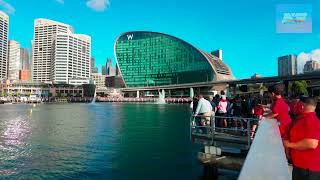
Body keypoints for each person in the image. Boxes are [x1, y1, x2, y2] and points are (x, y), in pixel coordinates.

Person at [284, 97, 320, 180]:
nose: (294, 107)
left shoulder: (311, 121)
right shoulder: (302, 119)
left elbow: (311, 143)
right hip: (301, 166)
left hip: (308, 169)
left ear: (302, 106)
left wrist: (289, 145)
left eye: (297, 105)